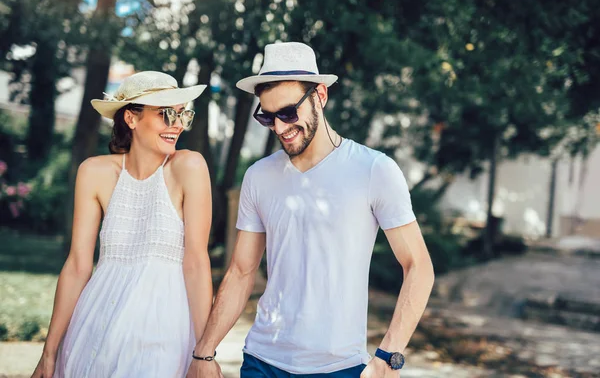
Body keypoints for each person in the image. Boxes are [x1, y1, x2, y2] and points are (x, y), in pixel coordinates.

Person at [189, 42, 435, 378]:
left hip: (339, 367)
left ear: (320, 95)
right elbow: (241, 272)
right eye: (267, 116)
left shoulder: (373, 169)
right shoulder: (259, 176)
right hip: (262, 361)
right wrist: (203, 353)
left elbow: (418, 266)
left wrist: (388, 357)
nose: (278, 127)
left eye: (288, 113)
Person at [31, 71, 213, 378]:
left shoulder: (189, 166)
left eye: (182, 115)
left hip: (163, 327)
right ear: (131, 118)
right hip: (95, 323)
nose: (178, 125)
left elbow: (196, 263)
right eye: (166, 114)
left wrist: (205, 353)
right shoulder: (94, 171)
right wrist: (49, 354)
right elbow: (77, 265)